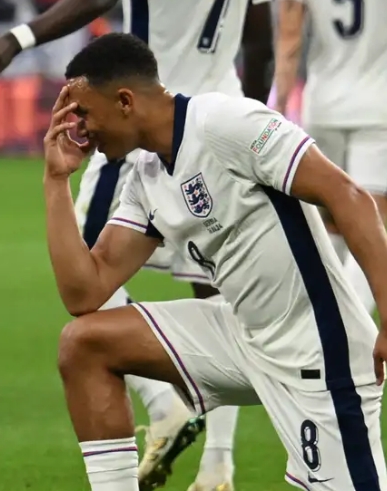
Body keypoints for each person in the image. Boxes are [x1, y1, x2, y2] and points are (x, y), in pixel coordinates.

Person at [45, 32, 387, 491]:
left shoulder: (228, 121)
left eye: (83, 111)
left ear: (124, 101)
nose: (79, 128)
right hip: (245, 337)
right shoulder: (146, 176)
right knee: (84, 343)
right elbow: (83, 292)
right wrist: (56, 179)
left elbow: (349, 197)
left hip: (320, 352)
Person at [0, 1, 274, 489]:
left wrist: (17, 38)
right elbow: (260, 40)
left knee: (87, 264)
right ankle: (217, 466)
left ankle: (163, 402)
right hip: (219, 117)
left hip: (141, 116)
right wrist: (250, 112)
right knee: (216, 287)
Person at [274, 0, 387, 317]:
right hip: (379, 106)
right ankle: (350, 334)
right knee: (373, 226)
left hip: (322, 106)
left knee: (332, 224)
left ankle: (319, 330)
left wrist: (279, 104)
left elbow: (290, 38)